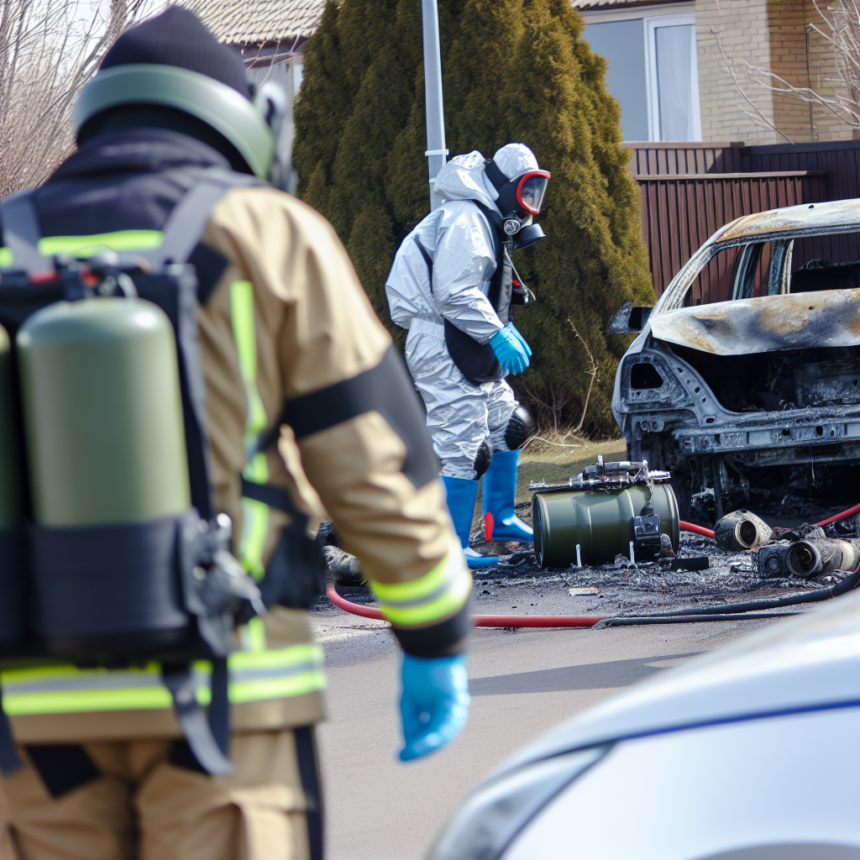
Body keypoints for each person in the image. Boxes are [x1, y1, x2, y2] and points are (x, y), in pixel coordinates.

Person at [0, 8, 471, 860]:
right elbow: (372, 457)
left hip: (32, 720)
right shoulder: (268, 233)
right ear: (240, 122)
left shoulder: (7, 244)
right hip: (228, 696)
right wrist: (432, 630)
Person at [386, 145, 550, 567]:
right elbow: (454, 292)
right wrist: (496, 333)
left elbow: (477, 286)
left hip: (466, 337)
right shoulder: (467, 218)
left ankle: (500, 520)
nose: (531, 204)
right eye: (526, 191)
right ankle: (450, 548)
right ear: (503, 185)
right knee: (463, 446)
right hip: (440, 339)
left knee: (508, 425)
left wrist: (499, 321)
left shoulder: (486, 220)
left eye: (538, 191)